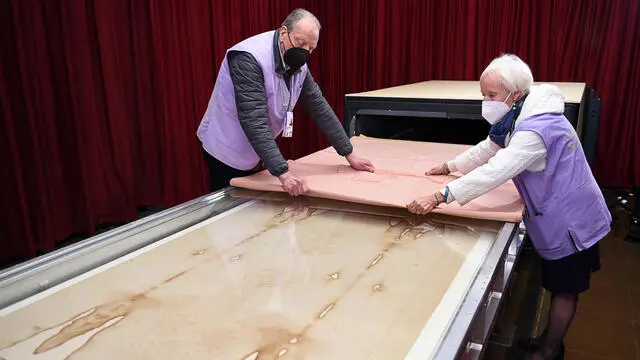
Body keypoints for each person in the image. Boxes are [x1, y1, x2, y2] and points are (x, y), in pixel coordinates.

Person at [407, 54, 611, 360]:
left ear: (514, 94)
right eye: (483, 95)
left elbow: (496, 169)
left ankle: (549, 351)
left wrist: (440, 196)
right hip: (564, 215)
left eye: (491, 96)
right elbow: (490, 148)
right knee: (558, 285)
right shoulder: (522, 114)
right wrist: (449, 166)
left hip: (573, 223)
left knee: (565, 290)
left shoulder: (534, 130)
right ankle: (548, 341)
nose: (486, 103)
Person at [197, 8, 374, 196]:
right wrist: (283, 173)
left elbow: (319, 107)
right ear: (283, 33)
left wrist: (349, 153)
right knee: (230, 208)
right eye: (300, 42)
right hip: (225, 149)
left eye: (311, 48)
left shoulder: (299, 66)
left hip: (257, 151)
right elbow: (254, 120)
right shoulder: (248, 58)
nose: (304, 52)